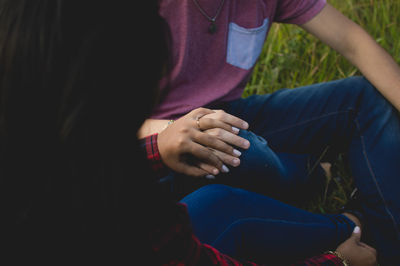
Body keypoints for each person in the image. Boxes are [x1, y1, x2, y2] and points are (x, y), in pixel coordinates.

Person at [0, 0, 377, 265]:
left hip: (205, 131)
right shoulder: (129, 212)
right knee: (234, 157)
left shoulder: (47, 145)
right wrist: (336, 261)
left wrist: (157, 146)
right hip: (182, 146)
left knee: (220, 196)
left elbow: (95, 154)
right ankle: (355, 223)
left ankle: (343, 208)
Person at [137, 0, 400, 264]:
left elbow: (351, 40)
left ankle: (384, 240)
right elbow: (103, 124)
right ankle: (318, 185)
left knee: (361, 97)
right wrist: (173, 130)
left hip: (234, 116)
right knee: (228, 152)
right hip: (165, 144)